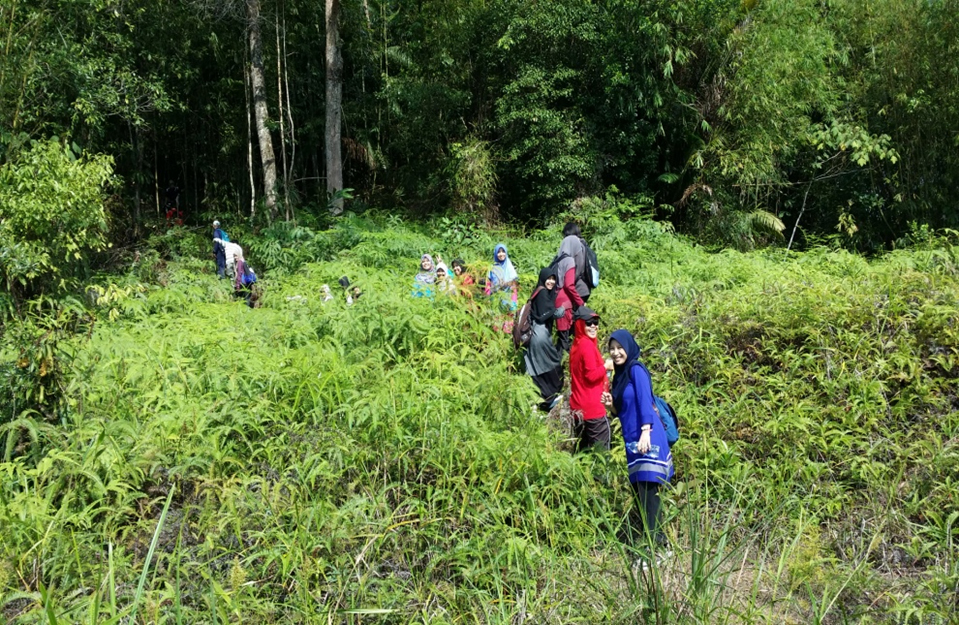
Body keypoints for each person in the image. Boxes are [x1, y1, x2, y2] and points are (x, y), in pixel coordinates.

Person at [602, 329, 674, 568]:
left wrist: (645, 431)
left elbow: (645, 399)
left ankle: (654, 552)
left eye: (619, 347)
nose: (616, 352)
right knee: (642, 497)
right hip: (633, 442)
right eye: (612, 348)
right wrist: (612, 405)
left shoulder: (636, 370)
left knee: (648, 496)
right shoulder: (620, 376)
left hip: (648, 440)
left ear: (629, 347)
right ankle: (662, 545)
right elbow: (622, 412)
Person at [569, 307, 611, 452]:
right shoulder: (586, 345)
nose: (593, 326)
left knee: (583, 454)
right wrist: (606, 366)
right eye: (588, 323)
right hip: (593, 409)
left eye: (595, 322)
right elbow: (591, 375)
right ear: (580, 324)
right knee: (601, 455)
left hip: (578, 409)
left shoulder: (577, 344)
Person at [524, 268, 566, 411]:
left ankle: (542, 400)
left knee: (539, 367)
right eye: (548, 279)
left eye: (553, 279)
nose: (551, 282)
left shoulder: (539, 291)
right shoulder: (542, 293)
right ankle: (551, 397)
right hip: (539, 336)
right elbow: (543, 315)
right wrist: (558, 311)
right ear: (543, 279)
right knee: (551, 364)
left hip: (536, 335)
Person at [553, 223, 591, 349]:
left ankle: (569, 354)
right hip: (573, 296)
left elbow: (566, 282)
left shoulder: (562, 259)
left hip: (567, 296)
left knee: (567, 332)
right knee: (570, 331)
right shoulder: (571, 257)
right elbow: (570, 283)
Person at [485, 244, 519, 331]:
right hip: (495, 299)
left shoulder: (509, 267)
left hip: (508, 300)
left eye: (503, 251)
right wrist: (487, 297)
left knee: (508, 325)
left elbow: (514, 285)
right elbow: (488, 283)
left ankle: (506, 340)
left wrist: (513, 302)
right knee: (496, 325)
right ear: (495, 254)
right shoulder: (492, 267)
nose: (501, 254)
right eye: (498, 252)